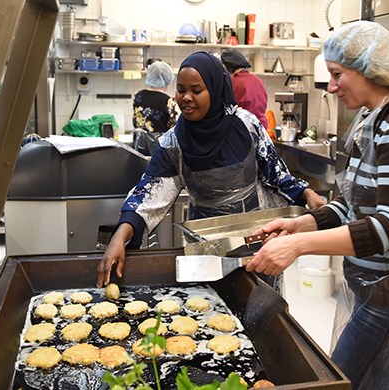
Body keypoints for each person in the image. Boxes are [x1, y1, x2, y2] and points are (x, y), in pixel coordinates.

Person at [245, 21, 389, 390]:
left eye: (338, 74)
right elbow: (357, 205)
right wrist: (302, 225)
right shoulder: (375, 119)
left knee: (342, 383)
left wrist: (296, 247)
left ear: (371, 69)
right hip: (382, 284)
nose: (331, 86)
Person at [98, 51, 325, 288]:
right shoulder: (173, 144)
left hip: (258, 239)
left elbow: (275, 172)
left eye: (196, 91)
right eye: (181, 89)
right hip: (206, 245)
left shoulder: (245, 126)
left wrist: (306, 193)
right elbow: (148, 195)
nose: (185, 97)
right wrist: (120, 236)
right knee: (211, 306)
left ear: (215, 90)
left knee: (260, 304)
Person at [219, 48, 269, 129]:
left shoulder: (233, 83)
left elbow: (226, 110)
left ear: (228, 67)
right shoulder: (257, 80)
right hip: (262, 128)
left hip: (244, 129)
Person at [132, 61, 179, 133]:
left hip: (139, 143)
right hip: (159, 143)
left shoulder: (138, 96)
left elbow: (135, 122)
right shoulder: (168, 102)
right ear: (166, 80)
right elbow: (173, 129)